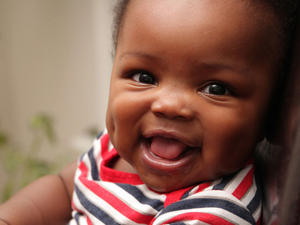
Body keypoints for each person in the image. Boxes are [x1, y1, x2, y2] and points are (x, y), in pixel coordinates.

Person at [0, 0, 298, 224]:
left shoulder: (213, 210)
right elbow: (65, 188)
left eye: (215, 88)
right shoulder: (111, 148)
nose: (167, 104)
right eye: (145, 77)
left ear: (269, 116)